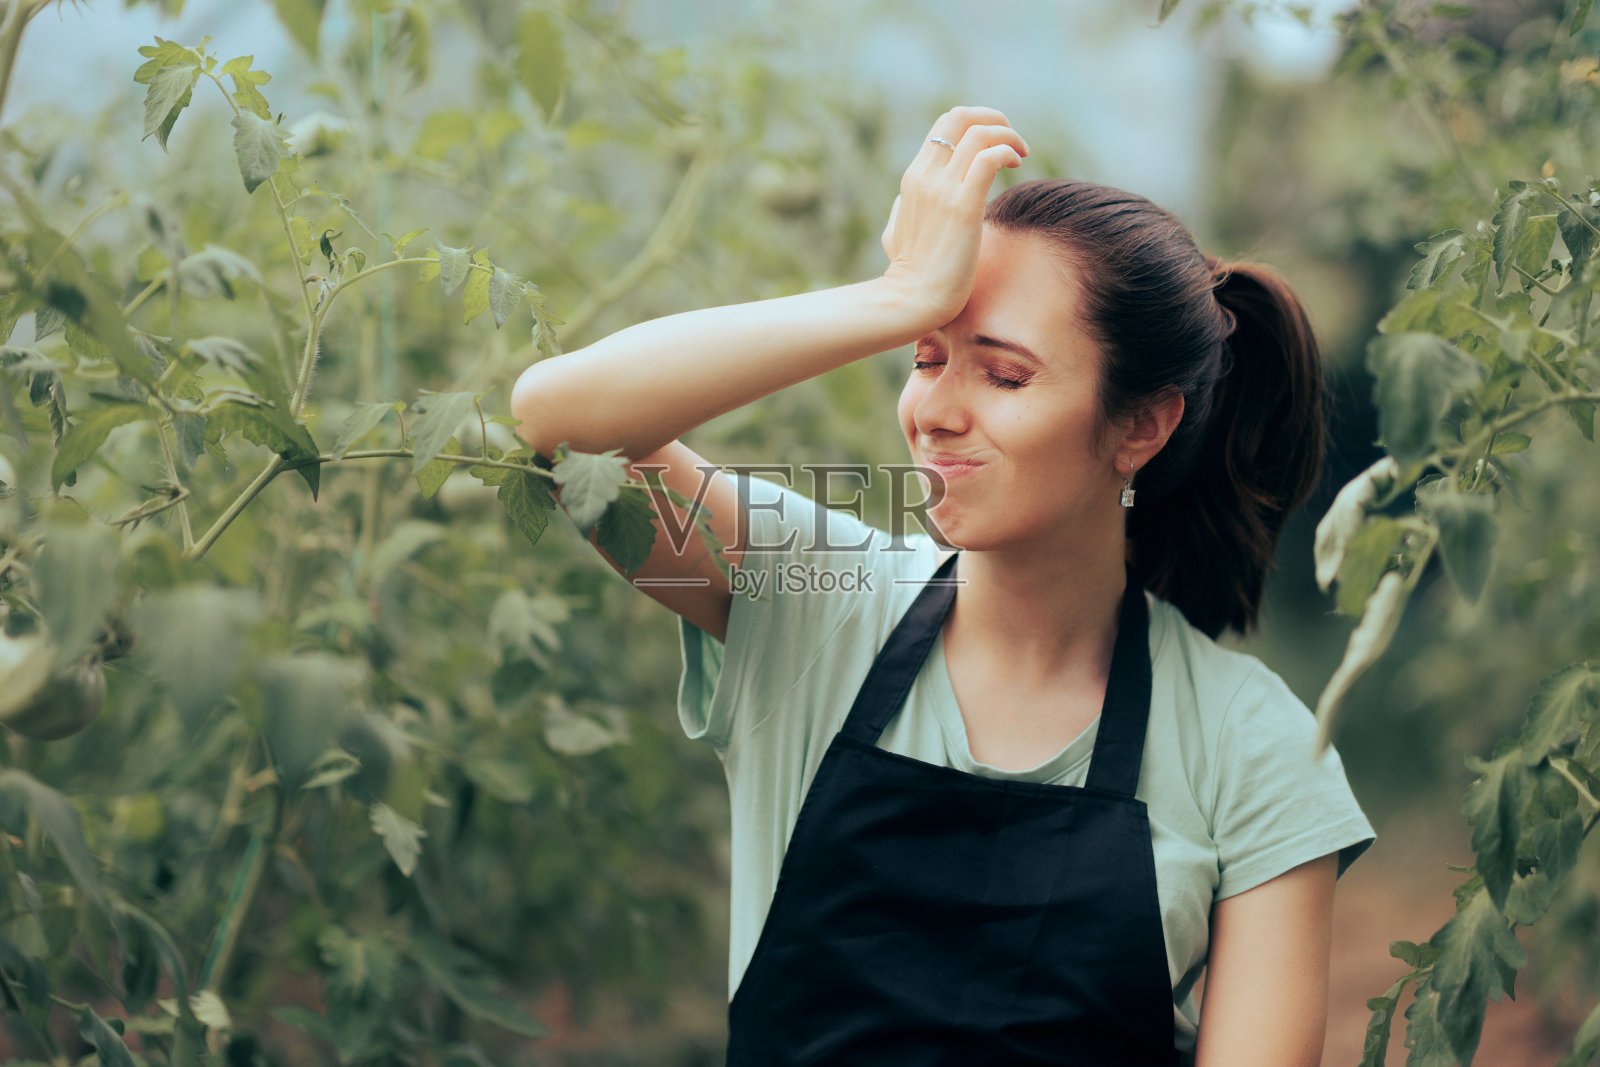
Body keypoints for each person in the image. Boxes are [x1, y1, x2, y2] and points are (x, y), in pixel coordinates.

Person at [510, 105, 1375, 1067]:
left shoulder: (1252, 746)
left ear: (1142, 427)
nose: (935, 412)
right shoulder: (814, 600)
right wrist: (897, 295)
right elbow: (560, 427)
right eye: (925, 358)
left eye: (1003, 376)